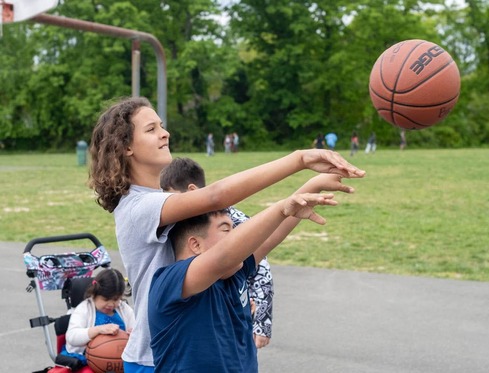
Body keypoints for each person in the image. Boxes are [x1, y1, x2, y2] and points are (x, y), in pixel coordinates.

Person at [88, 96, 365, 372]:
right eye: (151, 129)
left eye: (162, 125)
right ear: (125, 147)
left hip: (201, 336)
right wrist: (300, 159)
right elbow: (217, 198)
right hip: (160, 355)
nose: (165, 133)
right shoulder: (137, 207)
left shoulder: (166, 199)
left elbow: (245, 246)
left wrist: (307, 190)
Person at [148, 187, 343, 372]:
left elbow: (271, 235)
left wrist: (317, 183)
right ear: (195, 244)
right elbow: (224, 256)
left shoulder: (234, 273)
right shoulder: (171, 281)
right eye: (226, 230)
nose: (237, 238)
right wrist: (281, 209)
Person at [160, 157, 274, 349]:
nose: (166, 203)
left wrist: (262, 324)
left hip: (235, 307)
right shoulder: (177, 223)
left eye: (171, 197)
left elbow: (261, 268)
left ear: (191, 192)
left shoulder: (231, 220)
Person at [63, 269, 135, 369]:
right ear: (94, 294)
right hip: (88, 360)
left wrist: (134, 334)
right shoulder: (84, 309)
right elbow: (71, 337)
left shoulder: (125, 310)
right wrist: (98, 329)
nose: (111, 304)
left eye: (115, 299)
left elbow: (138, 331)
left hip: (120, 361)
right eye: (106, 299)